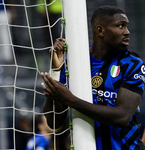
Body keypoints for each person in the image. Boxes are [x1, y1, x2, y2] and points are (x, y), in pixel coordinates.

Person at [40, 5, 145, 150]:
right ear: (100, 30)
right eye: (120, 26)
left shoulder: (132, 64)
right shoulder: (75, 63)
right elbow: (54, 122)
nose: (127, 32)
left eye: (126, 26)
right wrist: (56, 72)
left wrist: (70, 99)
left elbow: (122, 116)